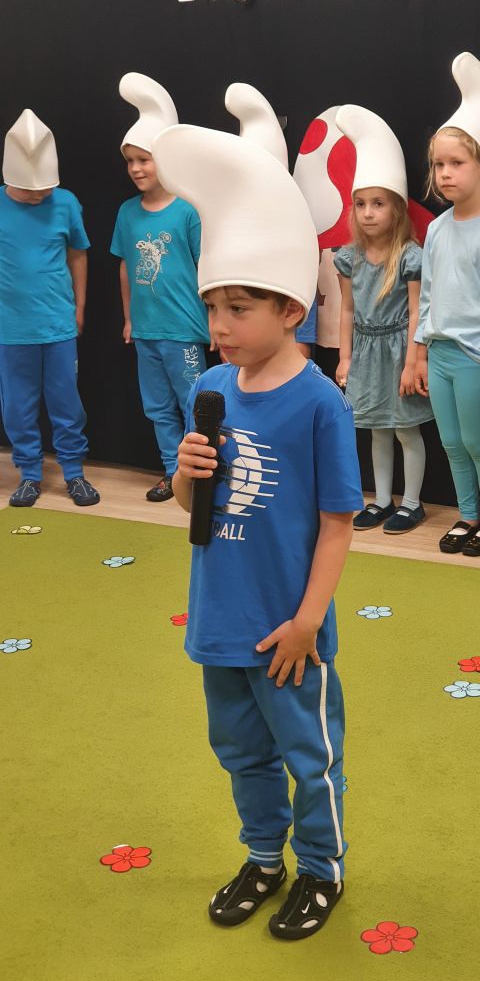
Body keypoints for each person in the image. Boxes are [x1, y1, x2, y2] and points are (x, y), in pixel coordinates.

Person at [152, 122, 362, 938]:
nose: (221, 324)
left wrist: (308, 620)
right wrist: (185, 474)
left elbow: (338, 525)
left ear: (291, 309)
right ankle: (264, 857)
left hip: (288, 629)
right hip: (220, 619)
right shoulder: (210, 387)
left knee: (310, 757)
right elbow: (189, 506)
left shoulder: (319, 403)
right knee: (240, 752)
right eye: (213, 307)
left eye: (238, 308)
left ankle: (321, 869)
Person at [414, 52, 480, 556]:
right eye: (438, 165)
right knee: (452, 443)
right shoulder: (436, 229)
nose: (445, 173)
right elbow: (429, 296)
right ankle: (468, 516)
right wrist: (419, 352)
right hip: (440, 353)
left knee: (478, 442)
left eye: (456, 163)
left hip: (479, 357)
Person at [334, 105, 433, 534]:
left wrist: (412, 362)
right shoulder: (348, 258)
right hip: (366, 352)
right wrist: (344, 358)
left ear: (396, 209)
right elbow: (347, 309)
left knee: (406, 429)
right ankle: (380, 500)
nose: (368, 212)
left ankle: (412, 503)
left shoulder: (410, 256)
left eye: (378, 204)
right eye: (360, 204)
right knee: (376, 429)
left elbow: (416, 312)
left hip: (399, 351)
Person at [111, 73, 209, 502]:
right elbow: (125, 267)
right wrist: (129, 318)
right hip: (146, 331)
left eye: (144, 160)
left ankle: (199, 472)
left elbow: (205, 266)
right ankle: (172, 472)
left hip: (184, 329)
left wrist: (213, 318)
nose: (136, 168)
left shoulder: (188, 210)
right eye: (130, 161)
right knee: (157, 406)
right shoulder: (127, 212)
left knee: (194, 403)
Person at [0, 109, 99, 508]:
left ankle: (74, 473)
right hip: (11, 329)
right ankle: (29, 474)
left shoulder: (66, 203)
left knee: (66, 402)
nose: (39, 196)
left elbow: (78, 254)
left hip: (57, 323)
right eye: (31, 190)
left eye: (44, 189)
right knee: (17, 405)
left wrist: (79, 305)